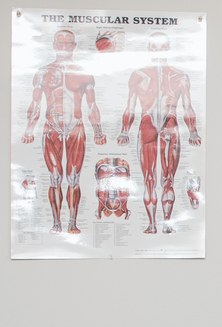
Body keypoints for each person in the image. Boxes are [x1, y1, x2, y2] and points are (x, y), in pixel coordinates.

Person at [22, 29, 105, 234]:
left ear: (74, 46)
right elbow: (35, 103)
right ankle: (56, 223)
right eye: (60, 43)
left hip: (76, 127)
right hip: (52, 128)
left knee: (74, 178)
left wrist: (98, 131)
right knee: (55, 177)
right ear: (54, 45)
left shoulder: (84, 73)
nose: (64, 46)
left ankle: (72, 223)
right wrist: (29, 129)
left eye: (68, 43)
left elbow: (92, 105)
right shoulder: (43, 73)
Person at [118, 31, 201, 234]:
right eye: (155, 47)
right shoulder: (138, 76)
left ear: (168, 49)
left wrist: (193, 131)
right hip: (149, 124)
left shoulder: (180, 76)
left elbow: (187, 106)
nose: (158, 51)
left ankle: (165, 224)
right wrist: (124, 131)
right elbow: (130, 107)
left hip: (168, 125)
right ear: (149, 49)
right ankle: (153, 224)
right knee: (149, 178)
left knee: (167, 178)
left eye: (162, 47)